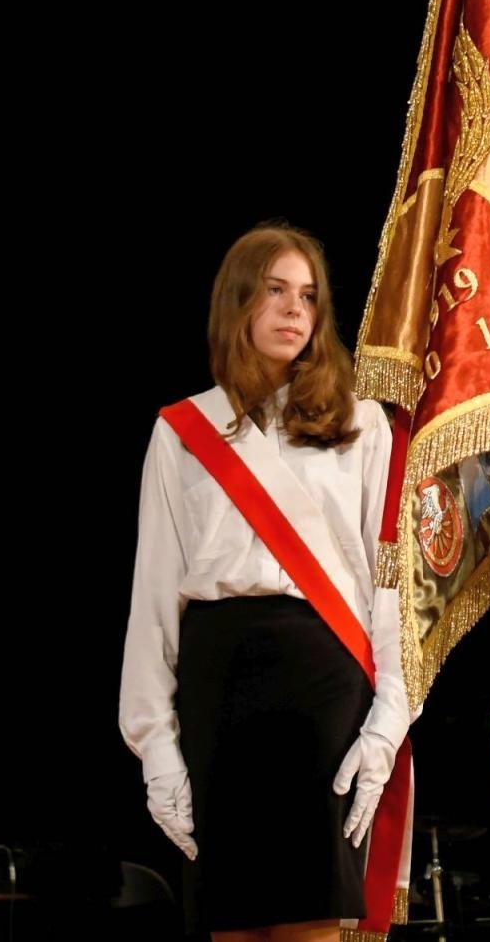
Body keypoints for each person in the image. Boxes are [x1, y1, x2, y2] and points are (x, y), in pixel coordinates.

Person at [119, 222, 410, 941]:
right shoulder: (183, 430)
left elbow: (391, 587)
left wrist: (388, 721)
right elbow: (153, 598)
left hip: (323, 676)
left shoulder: (362, 424)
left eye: (308, 296)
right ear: (238, 303)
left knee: (311, 917)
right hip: (220, 682)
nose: (293, 310)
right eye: (275, 291)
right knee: (233, 922)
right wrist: (154, 741)